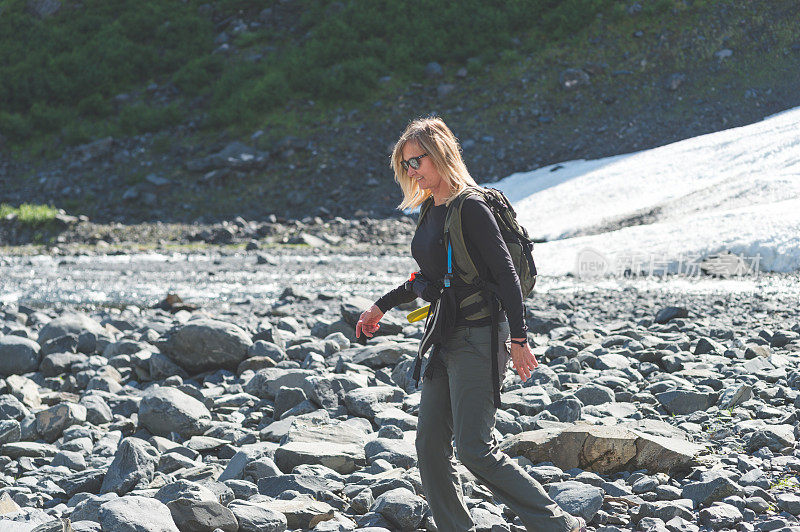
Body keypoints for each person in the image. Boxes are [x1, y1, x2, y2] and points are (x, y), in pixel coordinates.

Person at [355, 116, 586, 532]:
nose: (411, 171)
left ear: (441, 154)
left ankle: (557, 525)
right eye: (405, 164)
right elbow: (428, 278)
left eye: (417, 161)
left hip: (480, 336)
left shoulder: (472, 206)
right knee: (428, 445)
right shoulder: (430, 208)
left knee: (475, 449)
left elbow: (506, 277)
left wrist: (519, 339)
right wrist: (381, 306)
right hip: (444, 336)